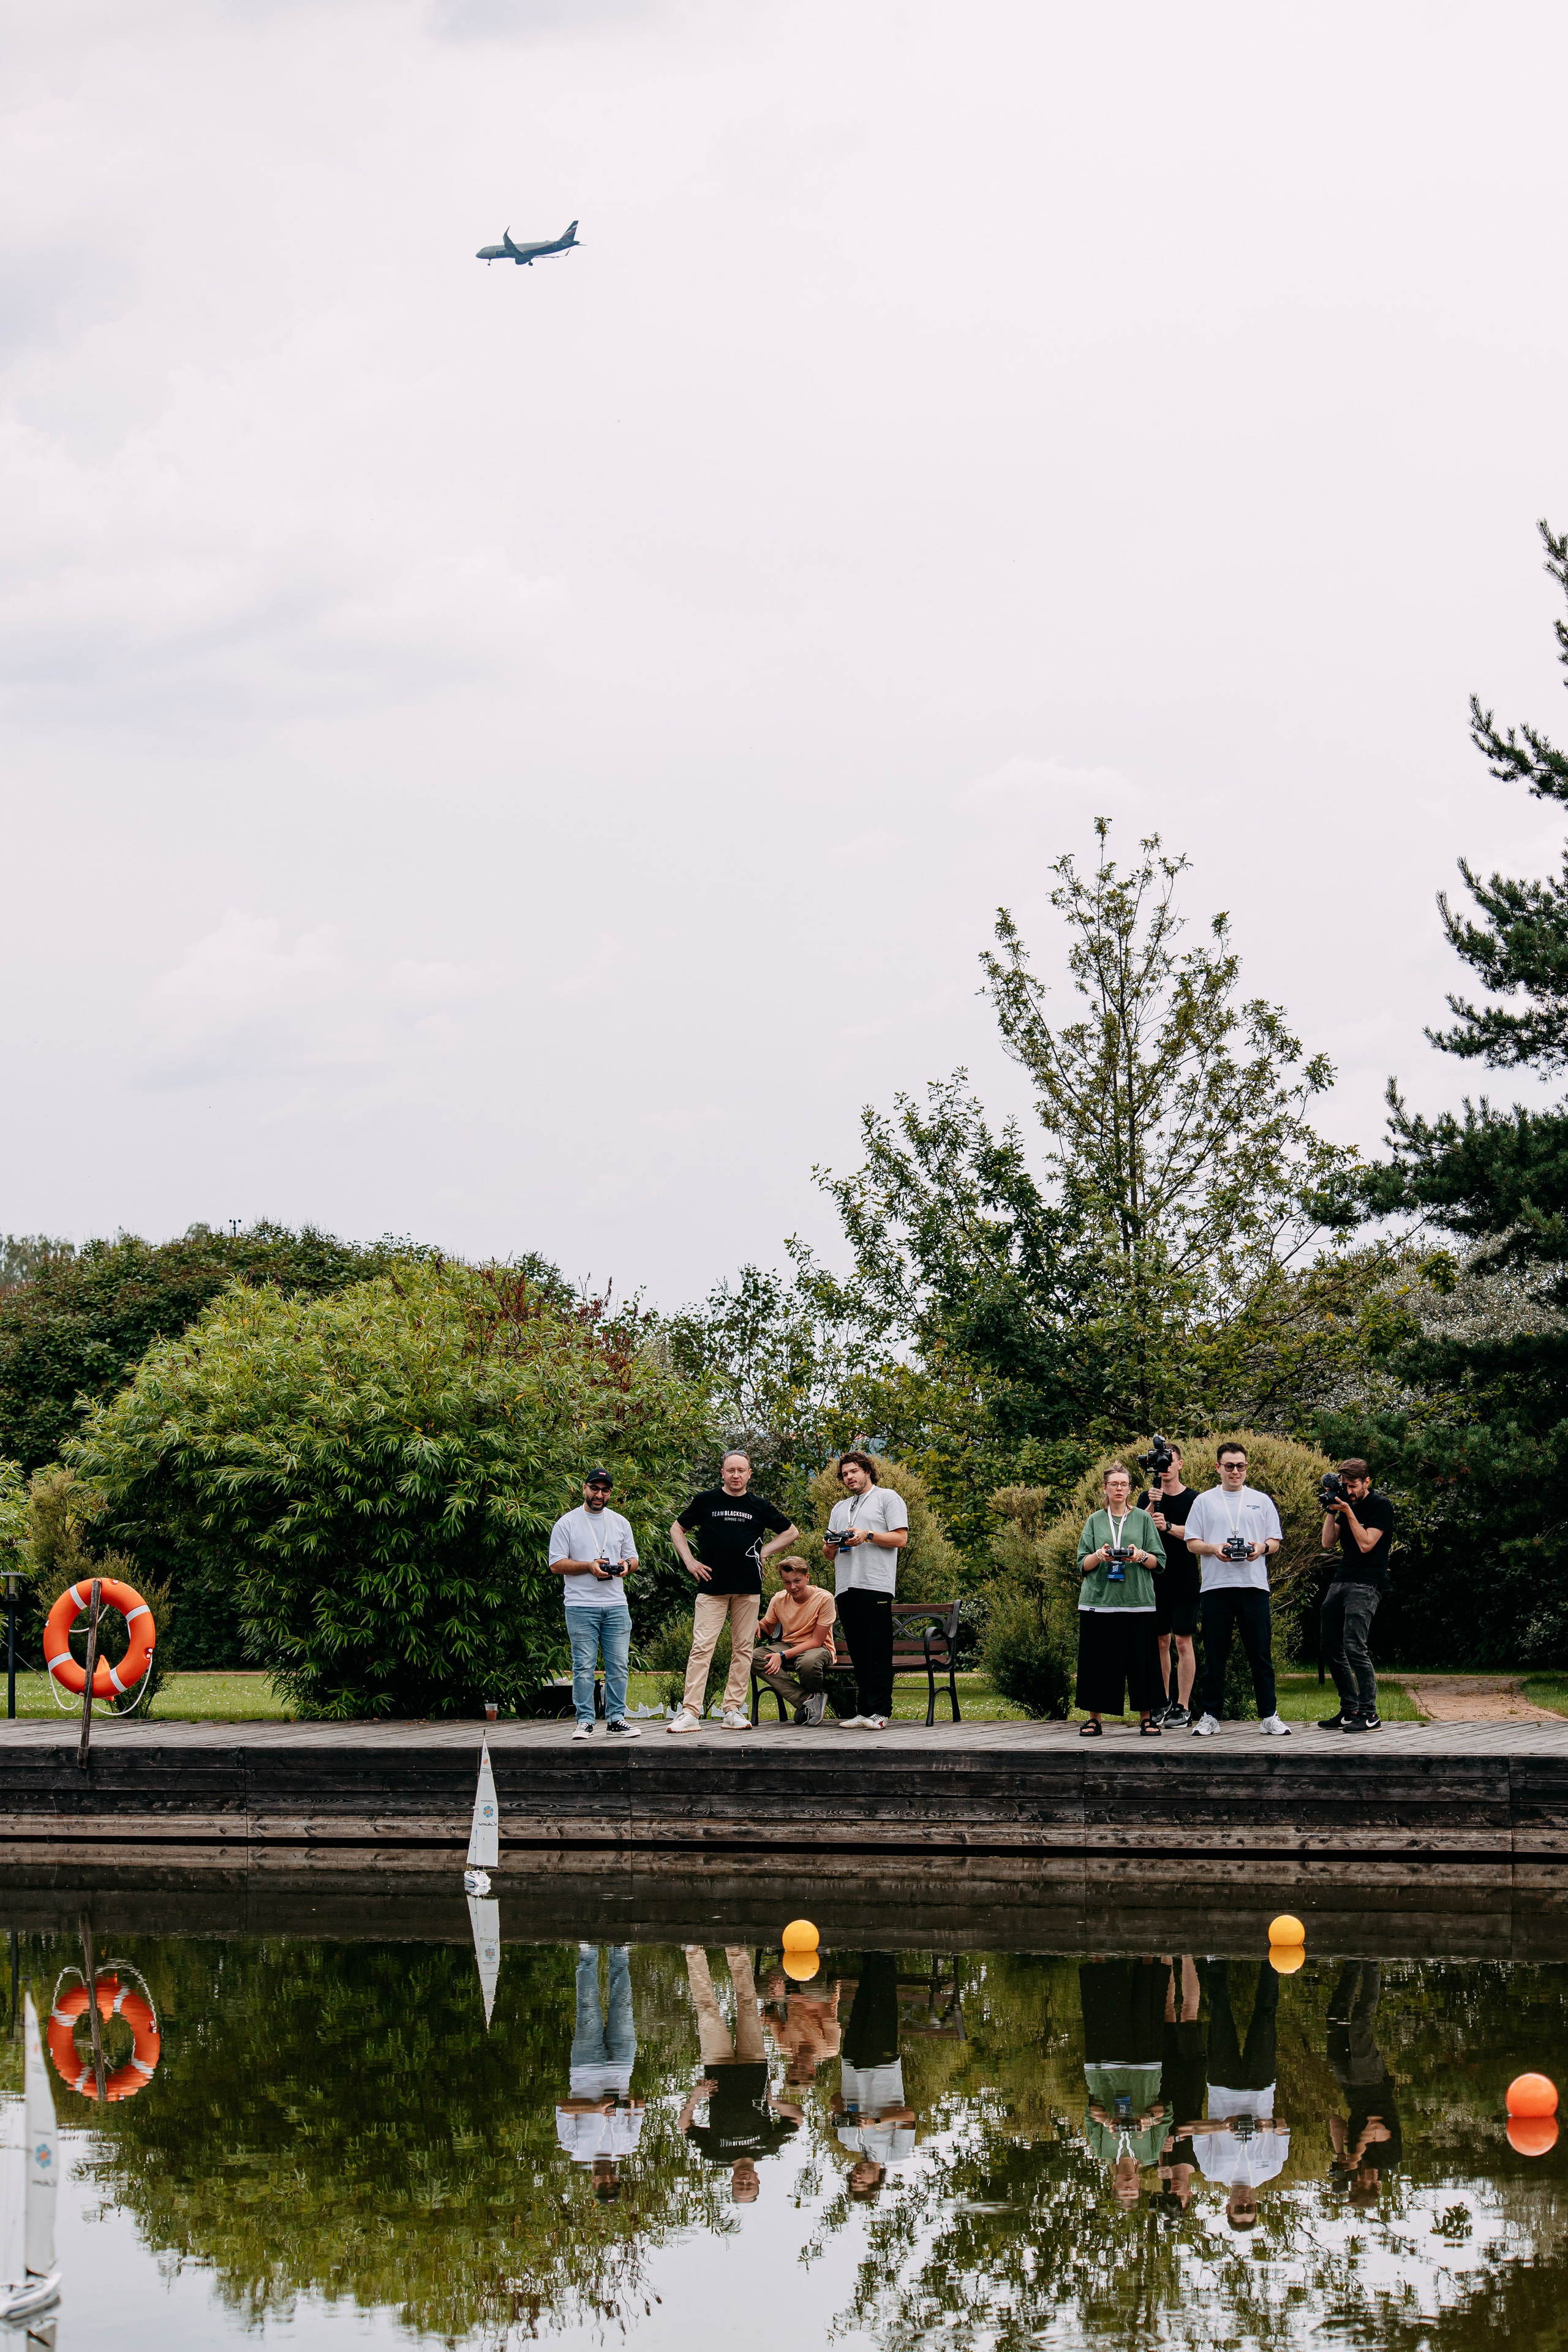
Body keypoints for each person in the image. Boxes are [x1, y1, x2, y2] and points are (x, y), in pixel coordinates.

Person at [667, 1453, 799, 1735]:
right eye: (731, 1470)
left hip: (748, 1588)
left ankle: (732, 1710)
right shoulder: (706, 1500)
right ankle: (690, 1713)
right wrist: (690, 1562)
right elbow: (677, 1529)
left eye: (741, 1470)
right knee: (702, 1648)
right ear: (722, 1473)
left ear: (749, 1473)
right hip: (712, 1588)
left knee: (743, 1649)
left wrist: (763, 1552)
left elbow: (791, 1532)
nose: (736, 1475)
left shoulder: (758, 1505)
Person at [1182, 1443, 1290, 1738]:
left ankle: (1269, 1716)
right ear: (1218, 1468)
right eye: (1229, 1466)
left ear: (1247, 1467)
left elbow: (1275, 1541)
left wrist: (1261, 1548)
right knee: (1216, 1656)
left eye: (1240, 1466)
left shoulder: (1261, 1500)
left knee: (1261, 1655)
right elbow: (1192, 1542)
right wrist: (1214, 1548)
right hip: (1216, 1587)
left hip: (1254, 1586)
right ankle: (1210, 1716)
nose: (1235, 1472)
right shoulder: (1205, 1501)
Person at [679, 1945, 802, 2201]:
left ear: (732, 2182)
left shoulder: (715, 2153)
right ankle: (736, 1949)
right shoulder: (767, 2147)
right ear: (758, 2180)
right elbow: (798, 2119)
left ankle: (693, 1951)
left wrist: (695, 2096)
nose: (744, 2182)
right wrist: (773, 2102)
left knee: (707, 2008)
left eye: (739, 2187)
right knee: (747, 2003)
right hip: (754, 2064)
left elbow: (685, 2127)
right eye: (750, 2186)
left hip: (717, 2065)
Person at [1176, 1959, 1290, 2231]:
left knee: (1220, 2015)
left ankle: (1216, 1958)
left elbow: (1191, 2129)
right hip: (1261, 2086)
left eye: (1239, 2209)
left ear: (1227, 2207)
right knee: (1266, 2015)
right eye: (1249, 2209)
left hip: (1223, 2086)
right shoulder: (1272, 2169)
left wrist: (1222, 2127)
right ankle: (1272, 1962)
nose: (1245, 2203)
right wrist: (1266, 2126)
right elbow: (1284, 2128)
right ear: (1256, 2206)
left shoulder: (1212, 2171)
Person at [548, 1469, 641, 1742]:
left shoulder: (620, 1522)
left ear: (611, 1492)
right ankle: (585, 1720)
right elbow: (556, 1564)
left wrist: (625, 1567)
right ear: (585, 1488)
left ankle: (616, 1719)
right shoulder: (567, 1523)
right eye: (595, 1489)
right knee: (584, 1665)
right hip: (580, 1605)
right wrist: (589, 1567)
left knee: (619, 1665)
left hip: (615, 1604)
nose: (600, 1495)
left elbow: (633, 1558)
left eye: (605, 1490)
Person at [1074, 1463, 1166, 1736]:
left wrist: (1138, 1556)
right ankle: (1095, 1719)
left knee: (1143, 1663)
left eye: (1123, 1484)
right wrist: (1100, 1556)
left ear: (1129, 1489)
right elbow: (1082, 1564)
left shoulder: (1143, 1519)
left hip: (1138, 1601)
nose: (1119, 1488)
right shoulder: (1095, 1520)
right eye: (1113, 1484)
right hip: (1099, 1602)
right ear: (1105, 1488)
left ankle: (1147, 1719)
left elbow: (1159, 1561)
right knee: (1098, 1663)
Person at [824, 1452, 909, 1731]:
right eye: (845, 1474)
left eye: (854, 1471)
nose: (849, 1477)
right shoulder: (839, 1508)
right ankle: (864, 1711)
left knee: (877, 1649)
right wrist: (831, 1546)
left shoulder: (888, 1497)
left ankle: (881, 1711)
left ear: (867, 1471)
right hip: (846, 1584)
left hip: (875, 1583)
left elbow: (901, 1538)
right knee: (859, 1651)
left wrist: (868, 1535)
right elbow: (828, 1553)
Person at [555, 1943, 644, 2203]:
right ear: (618, 2181)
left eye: (602, 2186)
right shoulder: (627, 2148)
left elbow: (562, 2107)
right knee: (624, 2006)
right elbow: (641, 2104)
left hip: (585, 2067)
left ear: (593, 2183)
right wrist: (626, 2106)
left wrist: (596, 2109)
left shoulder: (575, 2150)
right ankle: (620, 1953)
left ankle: (588, 1953)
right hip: (621, 2066)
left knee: (587, 2008)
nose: (607, 2181)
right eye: (613, 2185)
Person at [1077, 1958, 1169, 2209]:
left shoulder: (1102, 2152)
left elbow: (1090, 2112)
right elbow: (1166, 2113)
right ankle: (1150, 1943)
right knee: (1148, 2001)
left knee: (1104, 2000)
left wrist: (1107, 2120)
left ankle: (1101, 1948)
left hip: (1105, 2070)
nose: (1129, 2187)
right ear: (1140, 2185)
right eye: (1133, 2192)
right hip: (1145, 2071)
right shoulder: (1151, 2155)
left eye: (1124, 2191)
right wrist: (1147, 2121)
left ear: (1114, 2185)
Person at [831, 1953, 918, 2199]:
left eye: (853, 2179)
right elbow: (908, 2115)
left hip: (851, 2065)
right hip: (881, 2067)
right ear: (877, 2179)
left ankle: (868, 1953)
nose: (856, 2176)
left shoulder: (847, 2142)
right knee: (882, 2002)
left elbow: (835, 2099)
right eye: (862, 2182)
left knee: (863, 2000)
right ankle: (887, 1950)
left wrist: (843, 2113)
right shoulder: (895, 2155)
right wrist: (875, 2123)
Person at [1317, 1459, 1395, 1733]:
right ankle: (1350, 1709)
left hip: (1367, 1584)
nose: (1348, 1490)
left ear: (1366, 1482)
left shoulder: (1380, 1506)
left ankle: (1370, 1713)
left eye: (1353, 1486)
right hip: (1341, 1580)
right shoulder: (1345, 1504)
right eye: (1345, 1485)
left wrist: (1349, 1511)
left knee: (1354, 1646)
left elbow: (1366, 1544)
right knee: (1330, 1647)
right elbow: (1328, 1542)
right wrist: (1330, 1509)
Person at [1325, 1961, 1401, 2205]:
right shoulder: (1389, 2160)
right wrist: (1357, 2154)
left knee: (1334, 2019)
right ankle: (1371, 1964)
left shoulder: (1354, 2157)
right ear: (1376, 2184)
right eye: (1363, 2185)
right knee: (1360, 2023)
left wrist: (1341, 2154)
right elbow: (1375, 2125)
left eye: (1355, 2185)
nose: (1359, 2179)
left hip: (1349, 2085)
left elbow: (1335, 2121)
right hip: (1371, 2081)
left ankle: (1352, 1965)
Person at [1137, 1445, 1200, 1728]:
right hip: (1153, 1579)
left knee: (1182, 1641)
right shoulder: (1147, 1497)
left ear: (1180, 1465)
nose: (1164, 1467)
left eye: (1169, 1462)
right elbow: (1135, 1529)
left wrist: (1169, 1526)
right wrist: (1151, 1504)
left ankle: (1183, 1706)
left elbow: (1200, 1535)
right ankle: (1162, 1701)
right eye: (1159, 1463)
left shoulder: (1195, 1499)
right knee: (1160, 1641)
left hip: (1184, 1577)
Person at [755, 1557, 839, 1724]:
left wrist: (782, 1655)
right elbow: (767, 1628)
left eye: (797, 1581)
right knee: (753, 1657)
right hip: (787, 1645)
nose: (792, 1587)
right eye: (787, 1583)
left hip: (818, 1647)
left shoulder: (824, 1599)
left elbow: (816, 1641)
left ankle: (807, 1706)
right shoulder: (779, 1599)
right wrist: (755, 1623)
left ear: (807, 1578)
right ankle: (807, 1700)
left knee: (808, 1663)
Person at [1153, 1956, 1205, 2217]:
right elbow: (1212, 2127)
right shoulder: (1203, 2163)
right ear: (1189, 2195)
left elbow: (1149, 2122)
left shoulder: (1158, 2162)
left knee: (1165, 2014)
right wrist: (1184, 2133)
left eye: (1169, 2195)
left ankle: (1163, 1957)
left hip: (1163, 2084)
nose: (1174, 2191)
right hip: (1191, 2086)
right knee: (1189, 2014)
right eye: (1179, 2197)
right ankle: (1187, 1956)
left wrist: (1162, 2156)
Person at [761, 1967, 842, 2089]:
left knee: (758, 1989)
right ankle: (817, 1961)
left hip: (790, 1990)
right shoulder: (830, 2048)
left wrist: (763, 2019)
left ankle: (785, 1963)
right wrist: (786, 1996)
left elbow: (772, 2016)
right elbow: (822, 2006)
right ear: (813, 2070)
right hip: (819, 1994)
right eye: (803, 2068)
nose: (798, 2063)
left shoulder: (785, 2047)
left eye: (793, 2067)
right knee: (813, 1989)